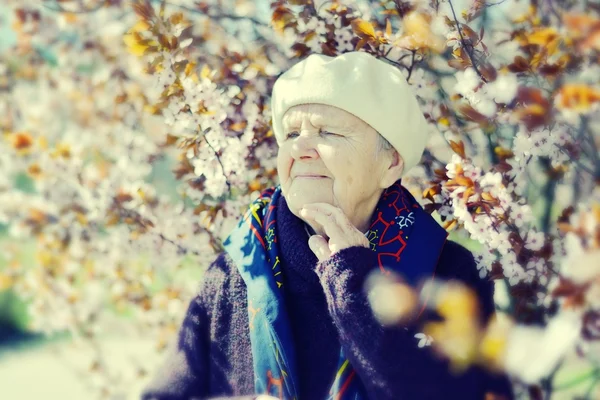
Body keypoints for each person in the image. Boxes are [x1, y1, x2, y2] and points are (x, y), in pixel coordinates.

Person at [141, 51, 514, 400]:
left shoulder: (448, 272)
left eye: (328, 132)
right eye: (290, 134)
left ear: (391, 164)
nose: (302, 148)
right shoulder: (239, 267)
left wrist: (354, 280)